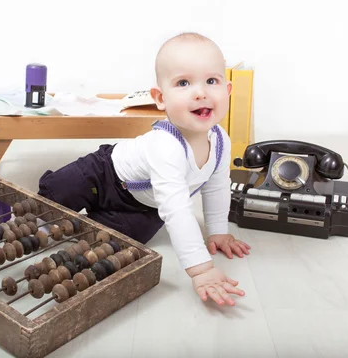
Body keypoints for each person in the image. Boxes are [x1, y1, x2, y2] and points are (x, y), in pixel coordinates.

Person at [38, 32, 251, 306]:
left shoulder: (221, 140)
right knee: (63, 190)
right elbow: (177, 208)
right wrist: (201, 269)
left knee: (122, 241)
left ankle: (90, 222)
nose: (201, 92)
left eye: (212, 81)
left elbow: (217, 186)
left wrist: (218, 230)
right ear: (160, 98)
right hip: (105, 175)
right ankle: (45, 206)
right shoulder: (167, 144)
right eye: (183, 83)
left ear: (228, 91)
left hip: (145, 206)